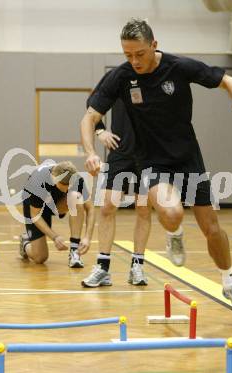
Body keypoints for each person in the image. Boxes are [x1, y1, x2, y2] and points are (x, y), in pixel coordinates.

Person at [80, 18, 232, 318]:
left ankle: (229, 283)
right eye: (128, 55)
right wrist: (90, 152)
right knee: (171, 212)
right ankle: (174, 232)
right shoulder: (122, 77)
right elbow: (89, 117)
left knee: (211, 229)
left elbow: (226, 79)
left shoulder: (179, 67)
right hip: (151, 159)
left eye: (139, 53)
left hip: (188, 156)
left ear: (154, 45)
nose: (134, 61)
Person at [82, 73, 184, 287]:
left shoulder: (161, 77)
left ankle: (137, 265)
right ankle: (103, 267)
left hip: (149, 154)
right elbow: (92, 105)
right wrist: (100, 131)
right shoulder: (117, 76)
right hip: (120, 149)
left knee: (143, 210)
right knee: (108, 205)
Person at [19, 160, 95, 267]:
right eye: (64, 185)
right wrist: (54, 237)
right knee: (40, 257)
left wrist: (87, 237)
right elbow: (35, 216)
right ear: (54, 178)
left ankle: (74, 251)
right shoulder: (37, 182)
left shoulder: (76, 179)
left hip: (58, 203)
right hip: (36, 208)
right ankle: (25, 242)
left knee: (76, 197)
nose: (67, 188)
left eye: (70, 185)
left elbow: (90, 209)